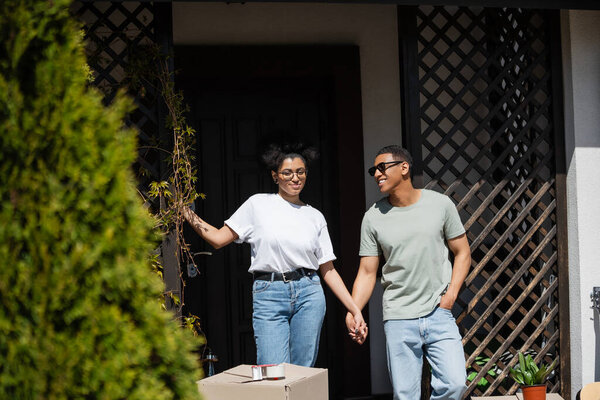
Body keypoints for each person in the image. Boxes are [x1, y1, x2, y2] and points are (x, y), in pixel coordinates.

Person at [183, 143, 366, 367]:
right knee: (272, 370)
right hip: (269, 292)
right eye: (287, 173)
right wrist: (185, 212)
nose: (295, 178)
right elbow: (218, 239)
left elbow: (328, 269)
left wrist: (354, 309)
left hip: (309, 292)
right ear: (275, 176)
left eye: (300, 172)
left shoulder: (315, 216)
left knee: (302, 370)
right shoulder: (258, 204)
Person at [346, 145, 471, 400]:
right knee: (405, 395)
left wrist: (451, 295)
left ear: (404, 168)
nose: (377, 174)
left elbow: (462, 253)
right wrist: (354, 309)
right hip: (399, 316)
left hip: (439, 311)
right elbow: (368, 272)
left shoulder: (440, 205)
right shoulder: (373, 217)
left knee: (455, 384)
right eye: (374, 170)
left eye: (382, 167)